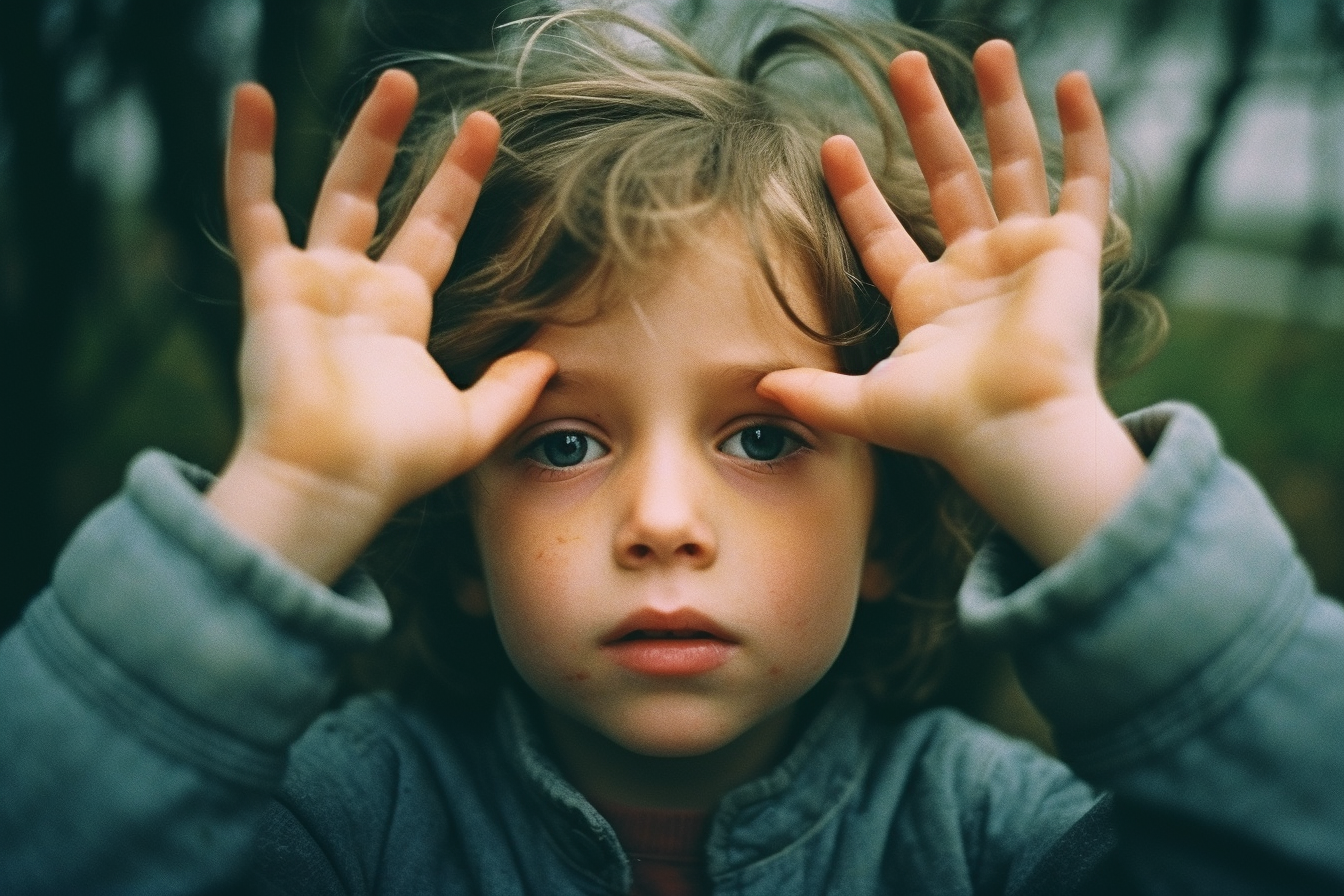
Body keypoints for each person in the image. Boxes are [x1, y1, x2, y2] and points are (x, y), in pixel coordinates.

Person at [1, 7, 1341, 895]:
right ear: (459, 538)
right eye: (564, 441)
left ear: (886, 531)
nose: (660, 520)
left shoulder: (992, 844)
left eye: (763, 435)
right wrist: (291, 496)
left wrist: (1059, 454)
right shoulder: (343, 828)